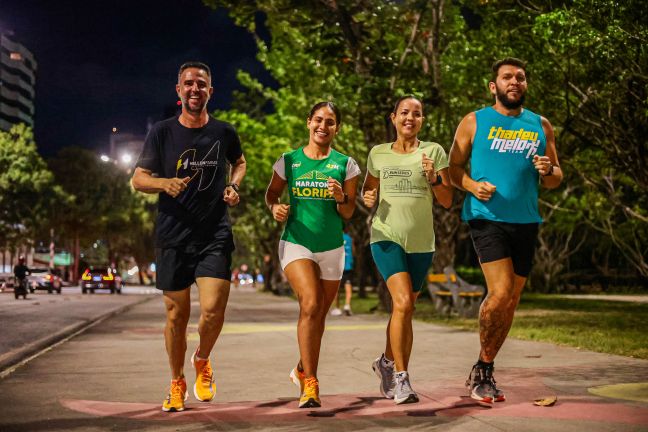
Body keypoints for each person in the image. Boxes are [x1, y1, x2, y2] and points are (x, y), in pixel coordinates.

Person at [131, 61, 247, 412]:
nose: (195, 89)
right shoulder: (162, 132)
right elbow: (138, 179)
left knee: (212, 310)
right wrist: (164, 183)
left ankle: (203, 358)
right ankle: (176, 381)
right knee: (175, 316)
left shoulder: (224, 132)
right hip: (173, 235)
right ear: (178, 91)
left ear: (211, 91)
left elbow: (239, 162)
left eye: (201, 84)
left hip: (214, 233)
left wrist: (233, 186)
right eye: (188, 84)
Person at [448, 57, 563, 404]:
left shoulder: (541, 125)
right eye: (507, 77)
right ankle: (482, 372)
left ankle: (484, 366)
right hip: (487, 217)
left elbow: (557, 176)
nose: (515, 81)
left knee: (510, 301)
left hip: (526, 220)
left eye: (521, 77)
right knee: (499, 293)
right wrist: (470, 184)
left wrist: (548, 169)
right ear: (493, 86)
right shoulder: (474, 121)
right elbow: (452, 168)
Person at [265, 101, 360, 408]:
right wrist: (275, 207)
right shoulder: (289, 160)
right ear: (308, 122)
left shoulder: (346, 164)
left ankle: (301, 368)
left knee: (318, 316)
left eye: (330, 122)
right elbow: (271, 194)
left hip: (332, 248)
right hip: (296, 242)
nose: (323, 126)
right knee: (311, 303)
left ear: (337, 128)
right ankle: (311, 384)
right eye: (318, 120)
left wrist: (340, 196)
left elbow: (348, 212)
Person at [363, 95, 453, 404]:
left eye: (416, 114)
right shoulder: (378, 154)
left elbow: (446, 199)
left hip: (421, 243)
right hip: (386, 236)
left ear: (422, 121)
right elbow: (368, 189)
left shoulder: (434, 152)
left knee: (407, 309)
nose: (409, 118)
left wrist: (433, 177)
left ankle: (386, 362)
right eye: (404, 113)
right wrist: (368, 199)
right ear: (393, 118)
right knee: (402, 302)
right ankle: (401, 379)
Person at [330, 225, 354, 316]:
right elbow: (353, 251)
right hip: (348, 266)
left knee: (336, 289)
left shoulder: (334, 238)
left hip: (337, 266)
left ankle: (337, 308)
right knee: (348, 287)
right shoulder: (350, 238)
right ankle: (347, 305)